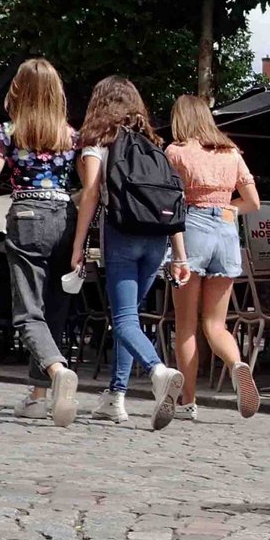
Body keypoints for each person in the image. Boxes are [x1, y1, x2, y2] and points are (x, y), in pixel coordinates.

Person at [0, 58, 81, 425]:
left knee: (27, 310)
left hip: (27, 216)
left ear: (20, 92)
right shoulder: (71, 135)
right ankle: (38, 395)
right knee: (54, 308)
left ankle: (57, 373)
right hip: (65, 216)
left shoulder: (7, 132)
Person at [72, 76, 187, 429]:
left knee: (122, 320)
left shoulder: (98, 142)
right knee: (130, 319)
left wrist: (78, 246)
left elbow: (91, 194)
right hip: (158, 239)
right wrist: (180, 255)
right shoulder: (153, 144)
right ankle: (116, 397)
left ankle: (158, 371)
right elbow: (173, 200)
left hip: (121, 234)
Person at [166, 94, 261, 420]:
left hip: (192, 227)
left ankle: (188, 403)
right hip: (225, 230)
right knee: (216, 324)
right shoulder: (231, 152)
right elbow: (253, 202)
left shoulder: (176, 152)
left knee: (186, 327)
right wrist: (226, 209)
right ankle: (236, 364)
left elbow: (171, 202)